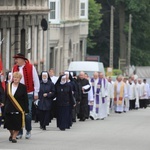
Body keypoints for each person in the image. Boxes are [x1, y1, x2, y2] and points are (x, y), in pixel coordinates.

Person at [12, 53, 40, 139]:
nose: (16, 60)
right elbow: (11, 80)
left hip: (29, 93)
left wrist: (36, 92)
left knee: (28, 113)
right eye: (15, 59)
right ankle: (19, 132)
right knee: (19, 114)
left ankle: (28, 130)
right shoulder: (14, 68)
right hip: (17, 93)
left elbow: (36, 80)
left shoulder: (31, 67)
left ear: (22, 60)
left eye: (17, 59)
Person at [4, 72, 29, 143]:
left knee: (17, 125)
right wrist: (4, 105)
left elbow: (25, 99)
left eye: (17, 78)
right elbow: (5, 97)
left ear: (20, 79)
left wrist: (26, 109)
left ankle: (14, 137)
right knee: (8, 125)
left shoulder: (23, 87)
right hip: (9, 107)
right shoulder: (8, 86)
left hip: (19, 108)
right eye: (14, 77)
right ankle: (12, 134)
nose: (15, 79)